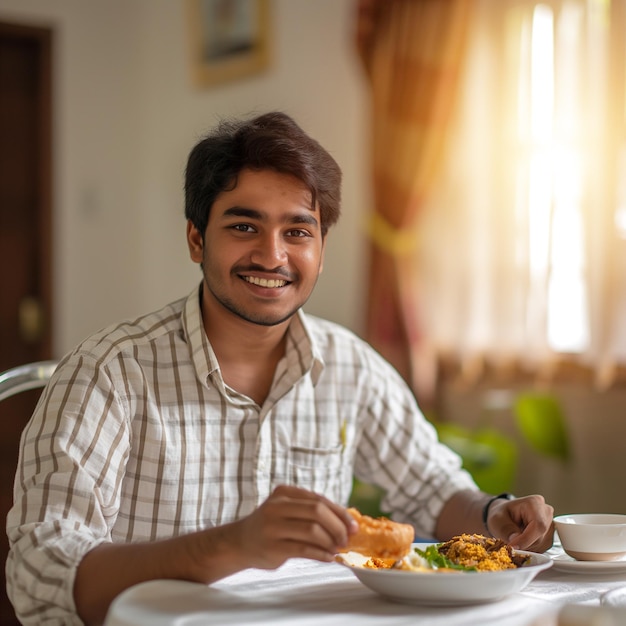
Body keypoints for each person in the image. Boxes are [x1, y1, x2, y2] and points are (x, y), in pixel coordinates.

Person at [6, 111, 554, 625]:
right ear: (197, 239)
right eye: (244, 227)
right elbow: (40, 569)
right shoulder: (111, 371)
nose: (272, 256)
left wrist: (494, 516)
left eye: (297, 231)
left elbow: (434, 489)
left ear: (320, 246)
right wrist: (230, 545)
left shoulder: (349, 366)